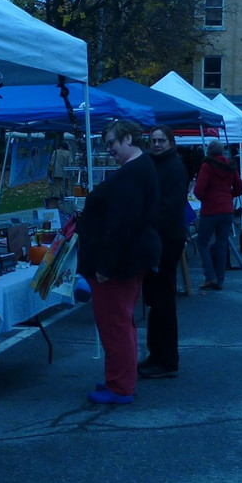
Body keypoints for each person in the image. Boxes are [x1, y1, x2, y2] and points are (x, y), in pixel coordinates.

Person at [76, 120, 161, 404]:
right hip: (129, 260)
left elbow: (121, 225)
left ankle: (121, 387)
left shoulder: (133, 174)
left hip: (118, 266)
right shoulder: (139, 168)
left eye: (111, 142)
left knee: (115, 325)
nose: (108, 148)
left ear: (127, 138)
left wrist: (104, 267)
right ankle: (120, 379)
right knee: (122, 323)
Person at [139, 126, 189, 380]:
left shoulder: (174, 168)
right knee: (154, 301)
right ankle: (156, 354)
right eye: (153, 140)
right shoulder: (151, 164)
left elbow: (171, 207)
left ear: (170, 143)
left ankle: (167, 359)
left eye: (161, 140)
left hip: (165, 242)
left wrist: (146, 223)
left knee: (163, 301)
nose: (156, 144)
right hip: (153, 240)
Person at [193, 140, 242, 291]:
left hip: (210, 209)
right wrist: (228, 195)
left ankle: (210, 276)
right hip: (226, 209)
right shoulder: (230, 166)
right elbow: (240, 188)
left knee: (202, 242)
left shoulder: (207, 166)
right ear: (222, 151)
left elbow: (199, 190)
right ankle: (220, 280)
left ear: (209, 151)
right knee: (222, 245)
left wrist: (206, 198)